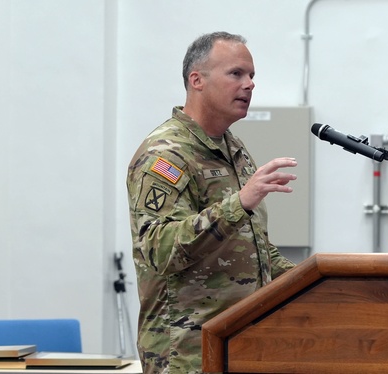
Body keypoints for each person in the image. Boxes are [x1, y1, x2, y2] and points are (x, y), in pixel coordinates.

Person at [125, 31, 298, 373]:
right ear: (197, 80)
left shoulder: (233, 149)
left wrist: (317, 280)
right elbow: (158, 249)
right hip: (187, 353)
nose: (249, 84)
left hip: (241, 343)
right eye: (236, 74)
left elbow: (253, 248)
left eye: (252, 76)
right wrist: (239, 203)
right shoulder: (166, 155)